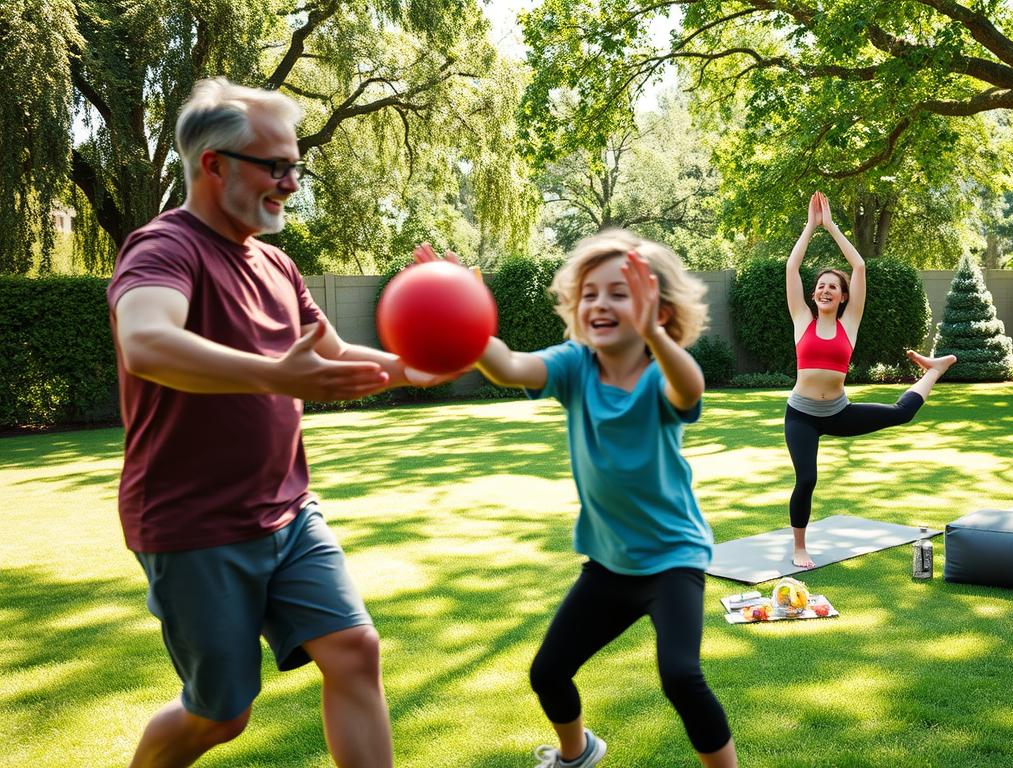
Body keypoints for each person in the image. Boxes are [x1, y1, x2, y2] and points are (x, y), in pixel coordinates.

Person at [108, 77, 448, 768]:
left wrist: (415, 364)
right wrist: (272, 374)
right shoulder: (163, 249)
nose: (291, 182)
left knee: (355, 651)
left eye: (296, 165)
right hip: (194, 524)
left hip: (289, 514)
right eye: (277, 165)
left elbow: (335, 356)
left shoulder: (277, 264)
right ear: (215, 164)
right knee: (221, 715)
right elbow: (146, 343)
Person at [412, 230, 736, 767]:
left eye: (618, 292)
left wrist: (655, 335)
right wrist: (468, 312)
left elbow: (691, 387)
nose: (600, 303)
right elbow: (509, 366)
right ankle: (577, 754)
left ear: (658, 306)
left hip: (672, 559)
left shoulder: (662, 374)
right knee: (548, 672)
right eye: (589, 293)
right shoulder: (574, 366)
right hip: (609, 565)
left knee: (680, 676)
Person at [785, 192, 957, 568]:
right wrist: (810, 226)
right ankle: (799, 546)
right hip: (801, 415)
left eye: (834, 286)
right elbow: (792, 268)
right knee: (807, 478)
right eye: (821, 286)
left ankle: (934, 370)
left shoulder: (850, 324)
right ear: (813, 295)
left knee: (901, 413)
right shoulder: (803, 320)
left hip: (838, 411)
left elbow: (860, 266)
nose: (826, 289)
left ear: (844, 297)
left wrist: (830, 227)